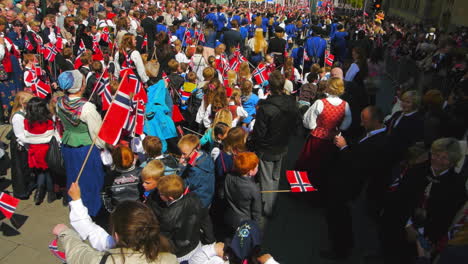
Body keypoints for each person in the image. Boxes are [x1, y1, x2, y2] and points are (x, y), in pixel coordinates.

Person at [52, 183, 177, 263]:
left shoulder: (104, 260)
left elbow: (78, 253)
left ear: (116, 236)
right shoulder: (170, 259)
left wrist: (64, 232)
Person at [56, 70, 106, 217]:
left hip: (68, 145)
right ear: (81, 86)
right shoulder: (87, 108)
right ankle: (91, 211)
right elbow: (98, 136)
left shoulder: (59, 102)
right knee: (91, 181)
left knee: (73, 177)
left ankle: (76, 206)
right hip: (85, 149)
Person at [251, 71, 300, 216]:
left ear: (269, 87)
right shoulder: (291, 102)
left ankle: (269, 209)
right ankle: (272, 202)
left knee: (267, 179)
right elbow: (296, 124)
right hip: (283, 144)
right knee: (275, 176)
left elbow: (259, 133)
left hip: (268, 148)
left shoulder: (266, 108)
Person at [296, 77, 351, 190]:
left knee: (306, 164)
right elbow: (346, 125)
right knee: (324, 168)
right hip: (332, 141)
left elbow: (309, 123)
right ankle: (318, 193)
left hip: (316, 139)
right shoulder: (345, 105)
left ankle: (300, 191)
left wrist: (318, 127)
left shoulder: (320, 103)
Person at [146, 174, 215, 261]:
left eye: (160, 194)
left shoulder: (167, 216)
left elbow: (162, 239)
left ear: (170, 197)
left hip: (177, 254)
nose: (158, 194)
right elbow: (205, 220)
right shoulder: (195, 198)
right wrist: (210, 241)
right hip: (195, 245)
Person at [24, 97, 56, 205]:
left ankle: (39, 194)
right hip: (46, 149)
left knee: (40, 172)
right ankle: (50, 193)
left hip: (34, 150)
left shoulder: (27, 121)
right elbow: (51, 134)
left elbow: (27, 134)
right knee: (48, 172)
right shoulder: (47, 120)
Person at [224, 152, 262, 231]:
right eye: (256, 167)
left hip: (229, 216)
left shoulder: (228, 176)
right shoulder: (253, 189)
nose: (258, 167)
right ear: (250, 172)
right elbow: (256, 212)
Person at [178, 134, 215, 208]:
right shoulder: (204, 155)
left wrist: (181, 168)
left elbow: (183, 184)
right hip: (206, 198)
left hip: (197, 204)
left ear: (195, 149)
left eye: (184, 154)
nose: (182, 156)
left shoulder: (197, 171)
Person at [102, 145, 142, 212]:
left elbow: (105, 195)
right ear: (132, 157)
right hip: (138, 210)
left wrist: (111, 210)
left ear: (114, 158)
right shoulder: (141, 172)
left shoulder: (108, 176)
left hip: (120, 212)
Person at [10, 91, 34, 199]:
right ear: (22, 102)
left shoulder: (23, 112)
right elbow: (20, 135)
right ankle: (22, 191)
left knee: (26, 168)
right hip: (20, 145)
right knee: (20, 169)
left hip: (25, 143)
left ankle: (28, 186)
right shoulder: (17, 117)